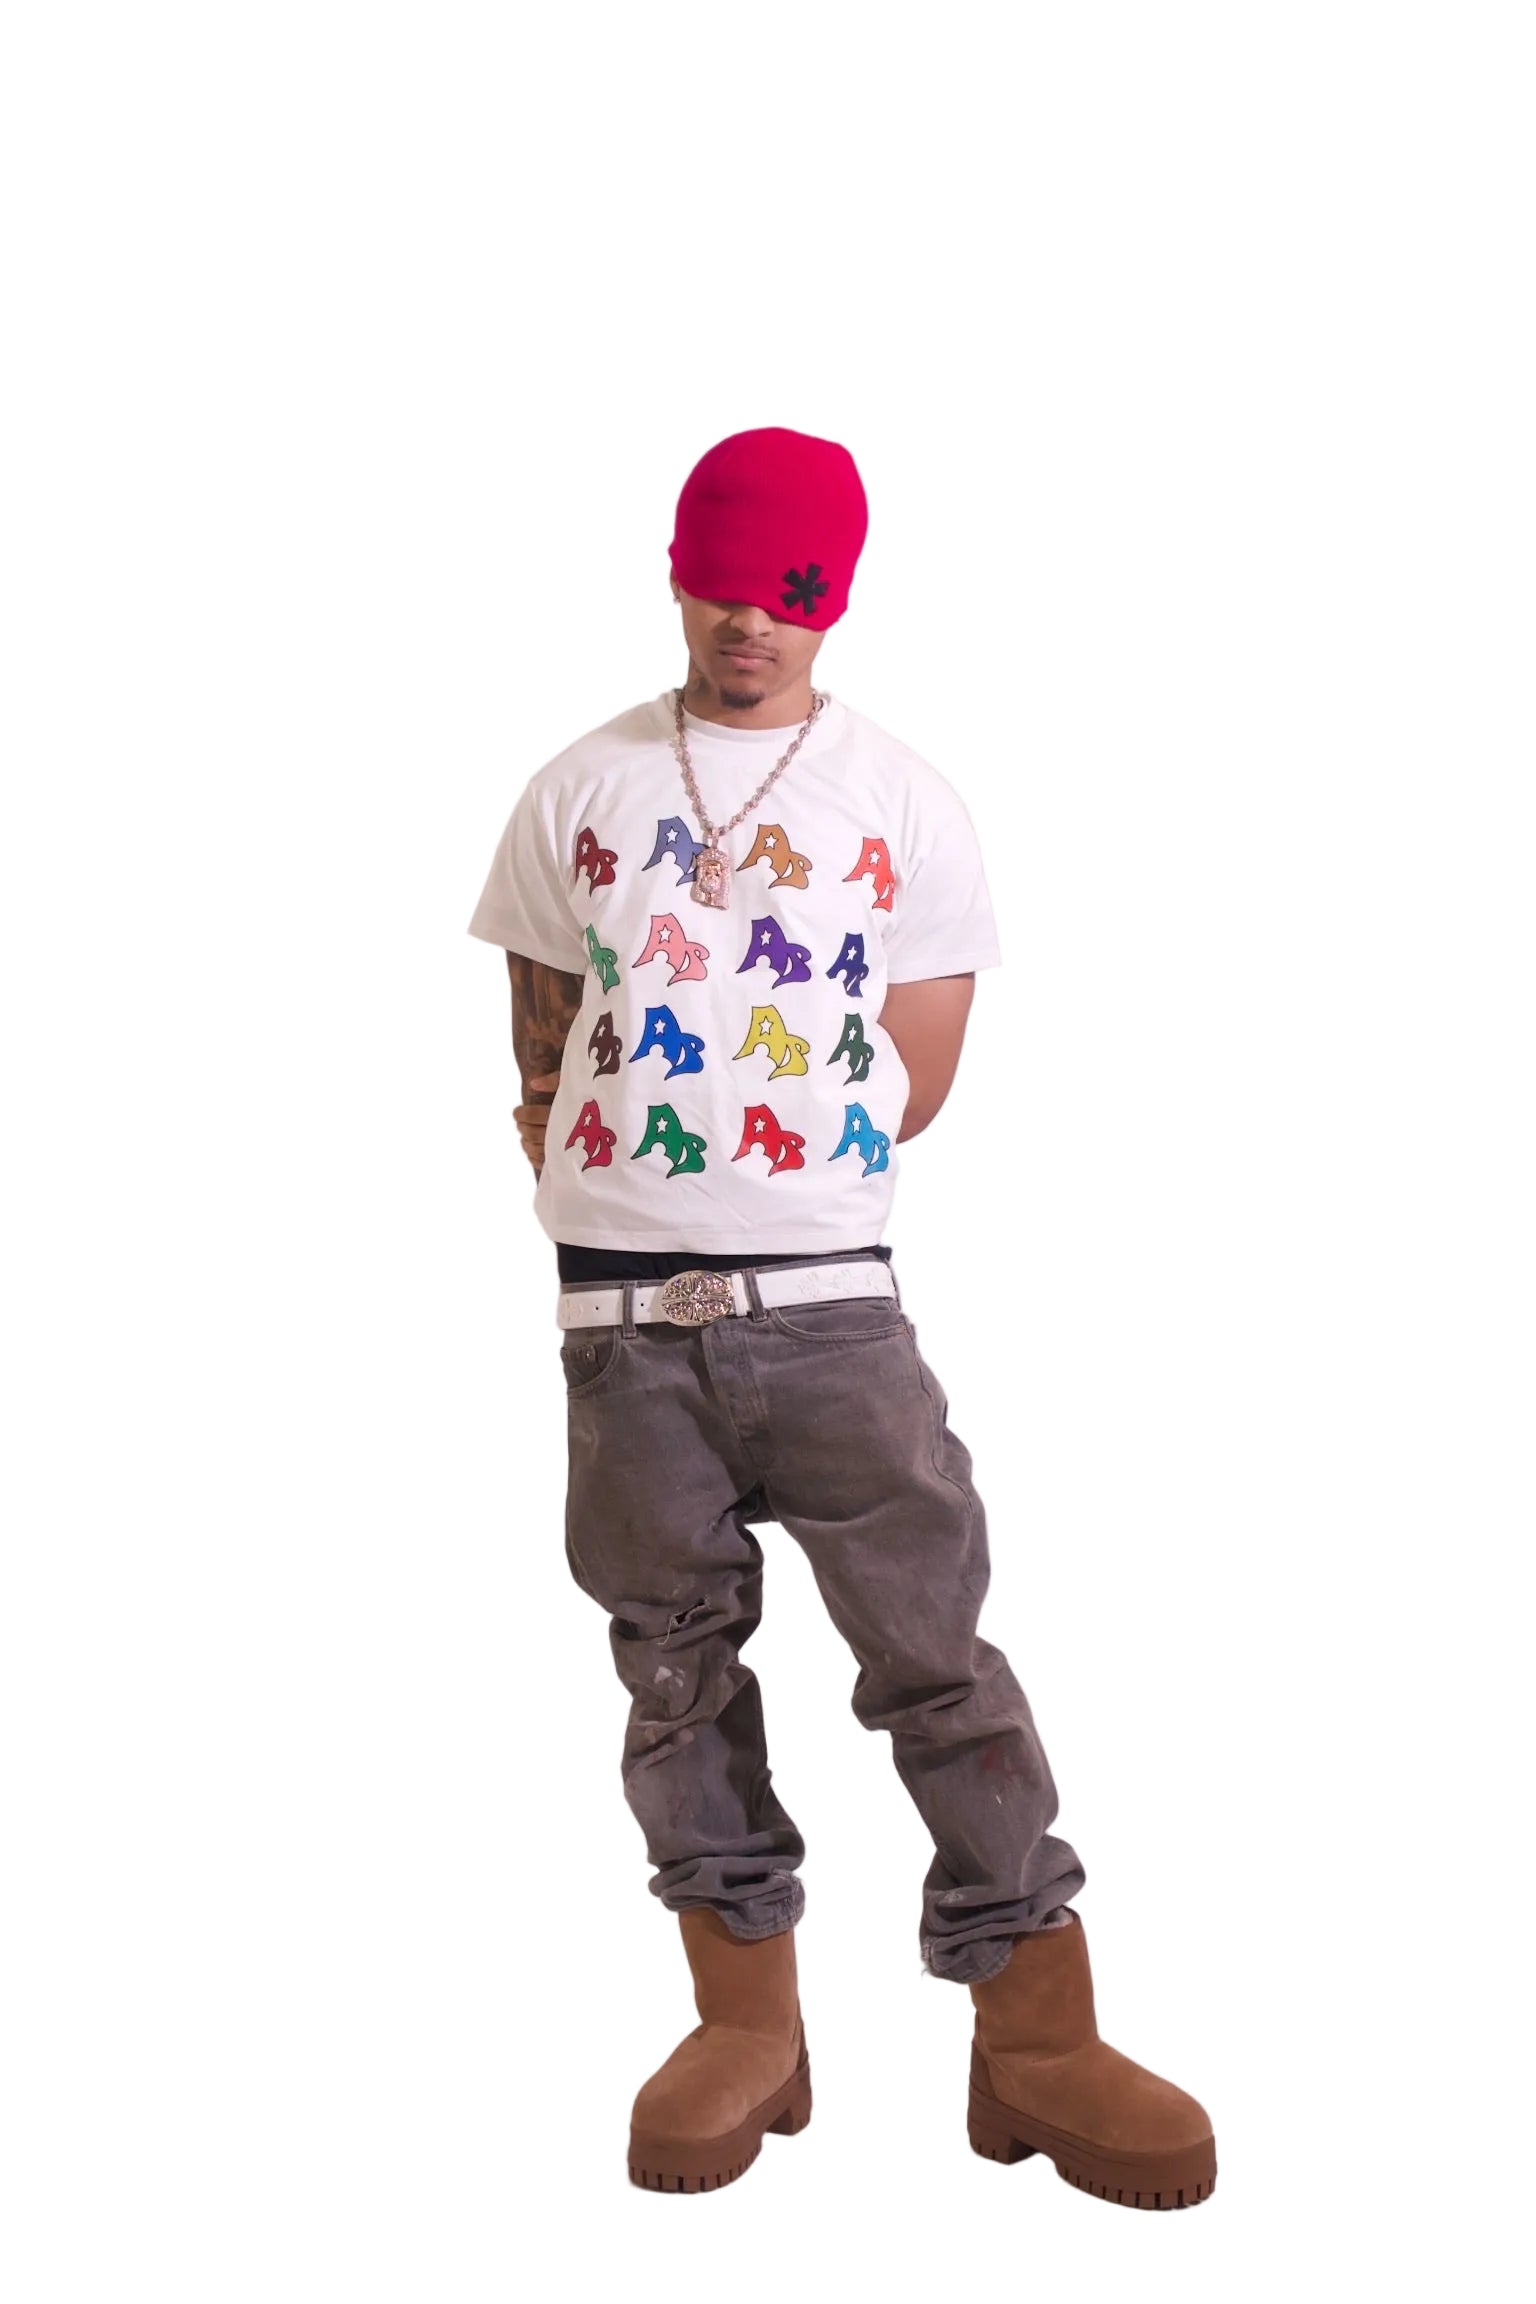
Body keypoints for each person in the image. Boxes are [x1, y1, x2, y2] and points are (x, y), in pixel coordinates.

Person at [468, 426, 1216, 2207]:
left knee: (935, 1658)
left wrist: (780, 1159)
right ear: (679, 577)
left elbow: (920, 1075)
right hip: (623, 1326)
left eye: (791, 589)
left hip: (830, 1315)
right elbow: (543, 1029)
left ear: (838, 598)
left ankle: (1034, 2028)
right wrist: (593, 1182)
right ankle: (747, 2020)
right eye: (725, 582)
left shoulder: (901, 799)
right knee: (672, 1668)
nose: (754, 618)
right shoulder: (580, 786)